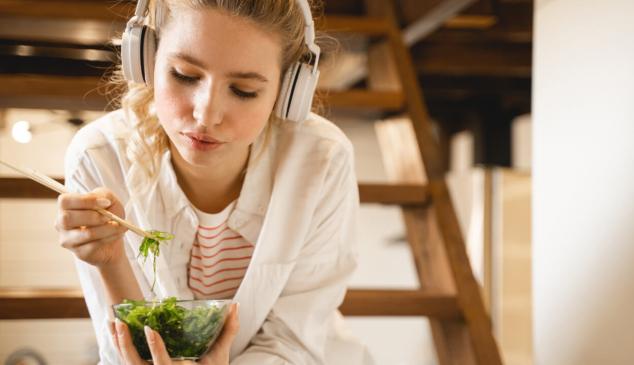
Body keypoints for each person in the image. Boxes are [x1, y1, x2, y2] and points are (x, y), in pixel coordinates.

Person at [55, 0, 374, 364]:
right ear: (146, 59)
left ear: (287, 94)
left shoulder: (321, 160)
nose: (206, 114)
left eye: (243, 91)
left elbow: (295, 341)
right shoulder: (99, 156)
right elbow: (125, 354)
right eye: (184, 75)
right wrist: (110, 263)